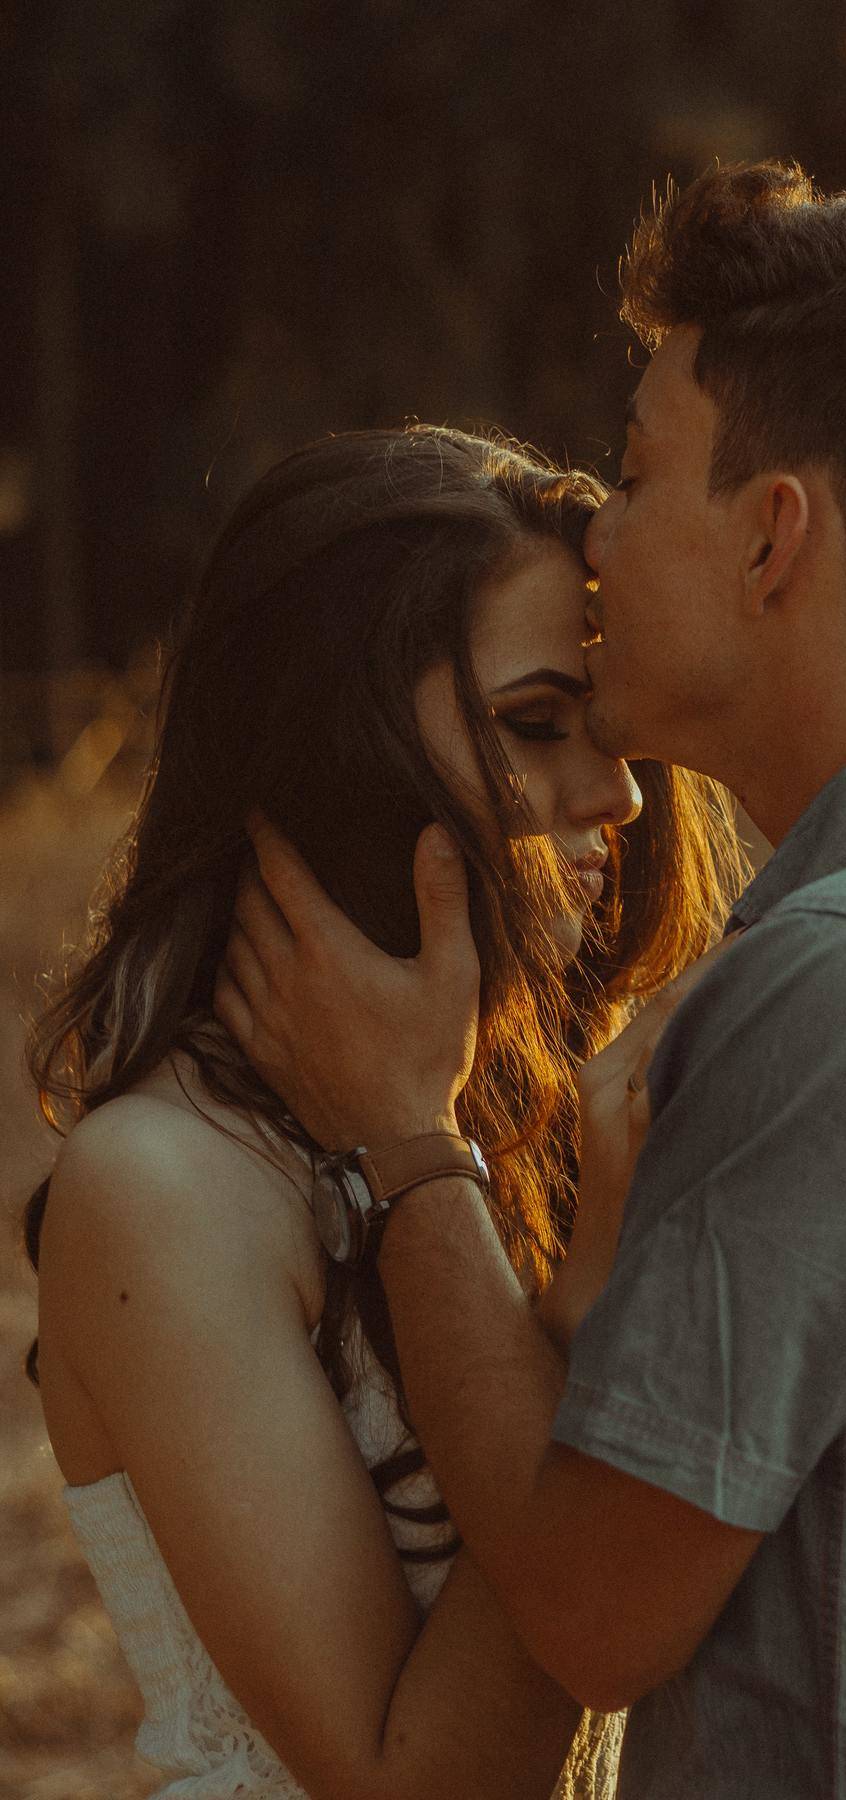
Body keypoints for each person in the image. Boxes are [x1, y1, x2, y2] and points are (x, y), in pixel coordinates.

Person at [218, 162, 846, 1800]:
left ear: (772, 537)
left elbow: (597, 1615)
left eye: (637, 472)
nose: (595, 529)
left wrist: (406, 1146)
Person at [25, 424, 746, 1800]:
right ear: (334, 749)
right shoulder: (162, 1188)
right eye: (538, 726)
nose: (622, 794)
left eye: (611, 725)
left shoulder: (531, 1106)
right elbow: (418, 1785)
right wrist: (568, 1288)